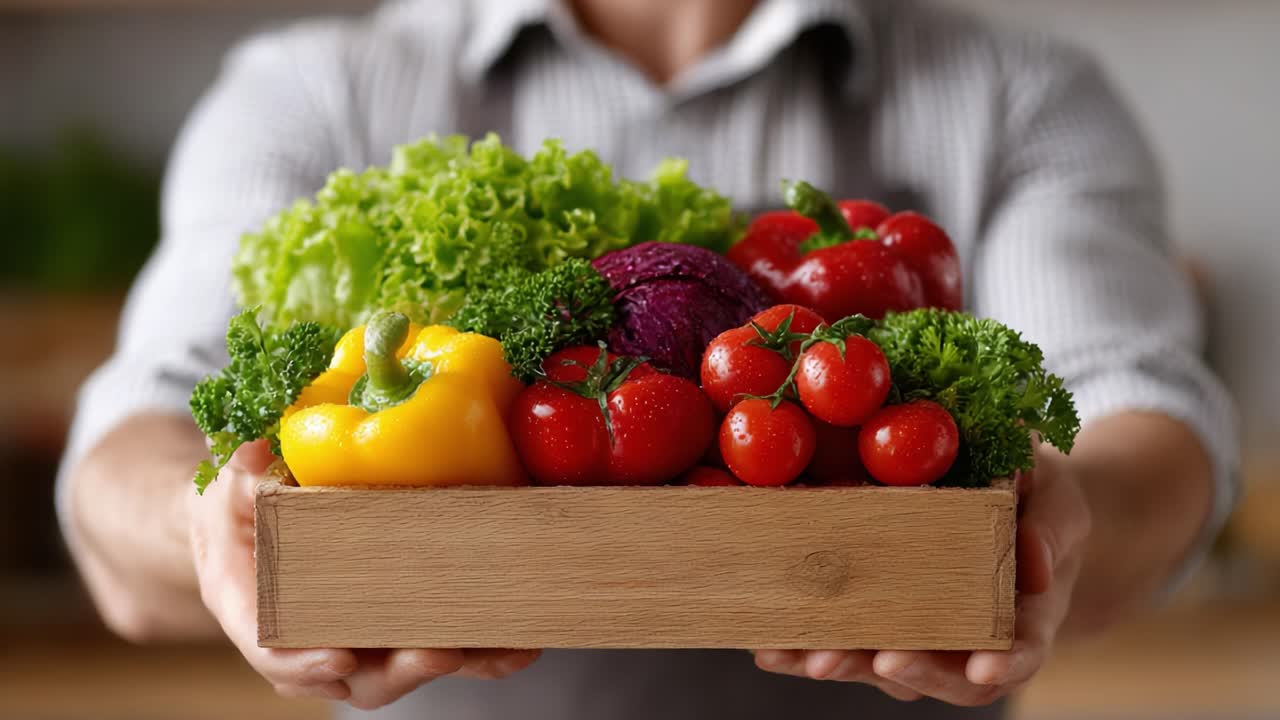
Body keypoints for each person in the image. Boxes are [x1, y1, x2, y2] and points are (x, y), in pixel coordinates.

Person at [59, 0, 1238, 717]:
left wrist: (1058, 523)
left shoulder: (1017, 95)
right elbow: (137, 436)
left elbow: (1137, 406)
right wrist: (206, 525)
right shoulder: (315, 92)